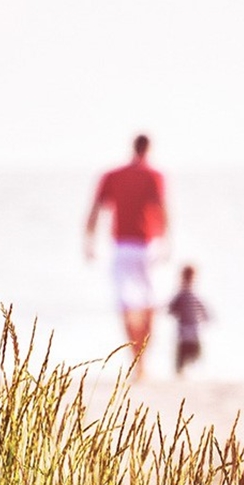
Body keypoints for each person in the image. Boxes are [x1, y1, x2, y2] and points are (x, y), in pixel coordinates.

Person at [84, 134, 168, 381]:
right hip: (147, 245)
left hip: (122, 247)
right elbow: (163, 210)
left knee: (127, 305)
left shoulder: (112, 175)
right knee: (149, 305)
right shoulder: (154, 176)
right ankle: (143, 360)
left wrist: (88, 242)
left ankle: (137, 358)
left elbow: (95, 210)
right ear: (149, 149)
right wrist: (167, 241)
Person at [168, 264, 210, 376]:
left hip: (188, 330)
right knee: (189, 352)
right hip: (189, 329)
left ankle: (186, 371)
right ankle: (184, 371)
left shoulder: (183, 294)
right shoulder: (186, 294)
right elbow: (203, 309)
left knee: (187, 352)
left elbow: (170, 309)